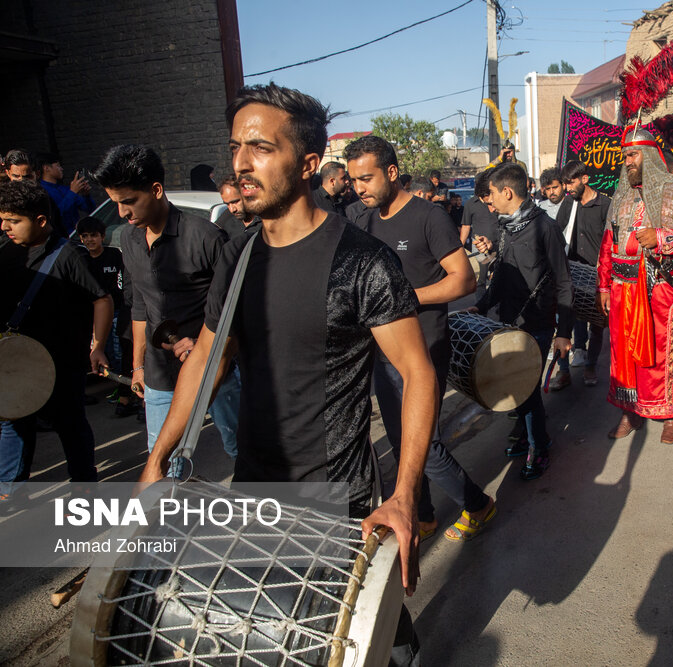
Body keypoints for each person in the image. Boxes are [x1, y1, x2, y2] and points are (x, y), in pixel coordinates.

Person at [138, 88, 433, 666]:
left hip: (333, 496)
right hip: (254, 487)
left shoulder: (363, 261)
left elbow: (417, 373)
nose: (241, 164)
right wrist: (156, 460)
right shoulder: (238, 254)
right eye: (235, 148)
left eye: (260, 148)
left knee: (347, 627)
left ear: (306, 165)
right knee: (283, 629)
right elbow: (208, 356)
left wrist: (403, 495)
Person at [347, 134, 496, 542]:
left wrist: (403, 299)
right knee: (399, 440)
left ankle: (478, 504)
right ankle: (424, 515)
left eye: (367, 178)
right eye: (353, 180)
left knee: (424, 445)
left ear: (392, 173)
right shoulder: (361, 220)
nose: (359, 187)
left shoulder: (428, 217)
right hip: (380, 352)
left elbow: (463, 279)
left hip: (424, 348)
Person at [95, 145, 241, 460]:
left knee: (240, 448)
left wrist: (206, 347)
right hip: (159, 374)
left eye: (129, 202)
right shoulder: (129, 240)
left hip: (214, 369)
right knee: (162, 460)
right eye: (116, 204)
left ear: (156, 190)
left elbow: (237, 311)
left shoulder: (206, 238)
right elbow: (139, 308)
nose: (122, 213)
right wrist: (137, 366)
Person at [0, 180, 112, 499]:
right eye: (3, 219)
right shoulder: (4, 250)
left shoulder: (68, 255)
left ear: (40, 220)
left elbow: (101, 299)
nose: (6, 226)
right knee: (13, 421)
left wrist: (98, 345)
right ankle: (10, 488)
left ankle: (84, 485)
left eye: (14, 220)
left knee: (70, 424)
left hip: (62, 362)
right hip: (14, 361)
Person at [597, 127, 673, 444]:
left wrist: (661, 238)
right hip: (621, 289)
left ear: (649, 155)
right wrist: (603, 286)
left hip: (661, 287)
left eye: (632, 155)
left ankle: (671, 415)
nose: (627, 162)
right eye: (624, 157)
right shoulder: (620, 195)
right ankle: (630, 413)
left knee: (664, 355)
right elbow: (607, 244)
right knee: (624, 358)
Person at [472, 162, 573, 480]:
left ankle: (539, 446)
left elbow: (564, 281)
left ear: (507, 192)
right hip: (508, 322)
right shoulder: (505, 226)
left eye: (491, 194)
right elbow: (501, 274)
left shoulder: (545, 227)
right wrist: (480, 306)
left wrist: (564, 331)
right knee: (516, 388)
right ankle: (529, 437)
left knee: (526, 388)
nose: (488, 200)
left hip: (539, 324)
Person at [553, 160, 610, 389]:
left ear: (585, 179)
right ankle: (564, 371)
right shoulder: (569, 204)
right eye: (565, 183)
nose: (567, 187)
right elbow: (557, 233)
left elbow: (611, 242)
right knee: (565, 322)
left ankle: (590, 365)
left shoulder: (605, 204)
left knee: (597, 324)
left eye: (571, 182)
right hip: (573, 275)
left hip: (598, 276)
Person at [77, 215, 137, 417]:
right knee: (104, 353)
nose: (89, 240)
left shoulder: (114, 256)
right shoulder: (79, 260)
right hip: (91, 315)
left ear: (103, 236)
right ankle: (119, 388)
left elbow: (124, 284)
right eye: (84, 236)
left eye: (93, 235)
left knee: (120, 353)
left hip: (118, 311)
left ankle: (125, 393)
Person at [37, 152, 94, 233]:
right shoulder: (41, 191)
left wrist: (86, 195)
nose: (61, 169)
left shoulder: (65, 189)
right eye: (58, 165)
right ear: (46, 168)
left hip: (75, 235)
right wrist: (72, 193)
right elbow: (55, 216)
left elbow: (90, 209)